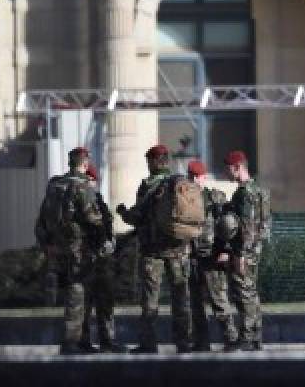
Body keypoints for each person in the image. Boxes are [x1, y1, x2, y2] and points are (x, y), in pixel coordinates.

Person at [117, 144, 194, 353]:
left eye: (149, 160)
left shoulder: (148, 185)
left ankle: (148, 343)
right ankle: (184, 342)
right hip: (179, 250)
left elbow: (137, 216)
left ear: (153, 162)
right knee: (180, 297)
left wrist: (123, 212)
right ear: (167, 162)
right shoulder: (180, 183)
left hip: (153, 252)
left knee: (150, 299)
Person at [34, 147, 107, 355]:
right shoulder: (82, 186)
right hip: (79, 247)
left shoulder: (54, 184)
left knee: (76, 292)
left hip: (57, 247)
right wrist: (103, 230)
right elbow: (92, 218)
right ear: (84, 164)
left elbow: (41, 218)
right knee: (78, 293)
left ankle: (82, 341)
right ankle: (71, 342)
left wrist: (46, 244)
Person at [187, 159, 239, 352]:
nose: (193, 180)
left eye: (196, 176)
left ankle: (231, 339)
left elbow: (229, 225)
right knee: (195, 304)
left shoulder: (216, 197)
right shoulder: (184, 199)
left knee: (219, 300)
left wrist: (225, 250)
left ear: (203, 177)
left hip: (211, 256)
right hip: (191, 257)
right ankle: (201, 341)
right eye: (191, 176)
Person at [224, 150, 270, 352]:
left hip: (245, 250)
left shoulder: (244, 193)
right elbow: (265, 224)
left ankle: (248, 337)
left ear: (238, 167)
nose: (228, 173)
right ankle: (255, 336)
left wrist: (240, 254)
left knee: (244, 293)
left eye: (229, 169)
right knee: (251, 292)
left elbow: (247, 226)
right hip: (256, 248)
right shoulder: (261, 190)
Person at [79, 164, 125, 353]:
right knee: (85, 302)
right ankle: (84, 341)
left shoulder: (97, 199)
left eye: (91, 180)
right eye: (88, 180)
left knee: (105, 301)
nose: (90, 183)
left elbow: (106, 225)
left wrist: (110, 241)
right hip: (86, 256)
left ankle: (107, 341)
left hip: (101, 258)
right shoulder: (79, 199)